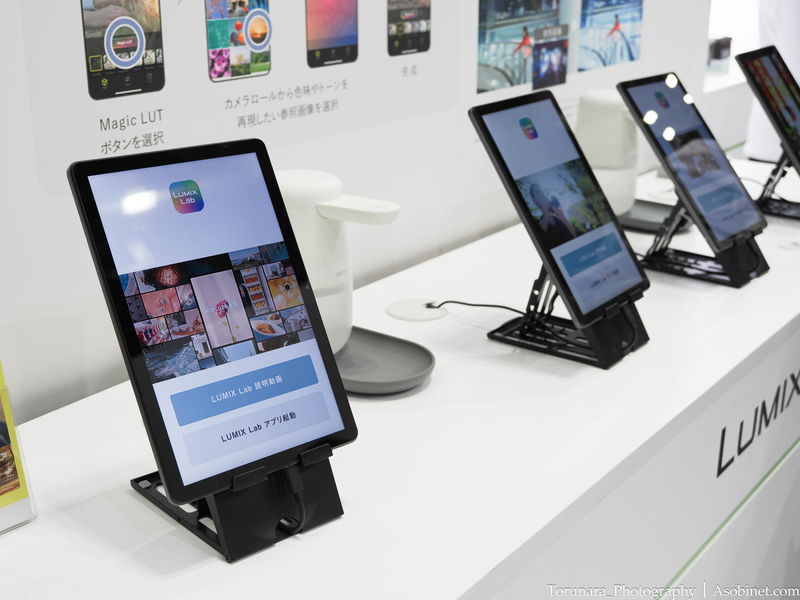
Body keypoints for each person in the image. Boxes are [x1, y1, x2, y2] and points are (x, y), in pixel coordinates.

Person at [526, 183, 577, 247]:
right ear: (534, 200)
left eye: (542, 191)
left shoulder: (558, 216)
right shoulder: (536, 224)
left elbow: (574, 235)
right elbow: (543, 231)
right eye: (538, 192)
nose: (542, 194)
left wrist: (561, 216)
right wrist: (546, 210)